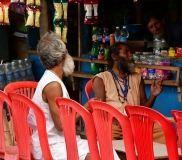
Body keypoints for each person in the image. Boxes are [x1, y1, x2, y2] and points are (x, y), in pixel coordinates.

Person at [27, 31, 120, 160]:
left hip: (61, 141)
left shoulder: (52, 79)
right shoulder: (53, 85)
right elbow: (60, 125)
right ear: (63, 56)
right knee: (95, 157)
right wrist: (85, 109)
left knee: (107, 150)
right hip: (51, 146)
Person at [92, 42, 166, 144]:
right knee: (107, 144)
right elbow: (100, 111)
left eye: (130, 52)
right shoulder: (101, 78)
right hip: (114, 125)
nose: (131, 55)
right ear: (114, 56)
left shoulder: (137, 77)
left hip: (137, 123)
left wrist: (153, 96)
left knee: (165, 131)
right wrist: (119, 122)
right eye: (126, 52)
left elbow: (144, 107)